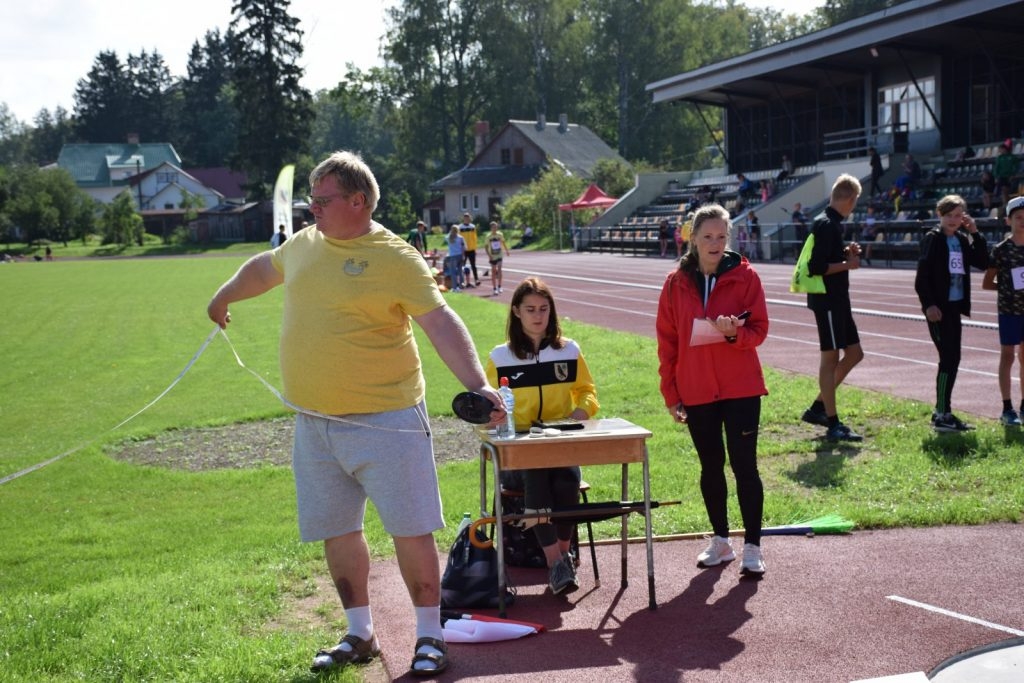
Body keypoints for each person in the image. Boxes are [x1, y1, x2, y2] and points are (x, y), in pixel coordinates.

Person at [206, 151, 504, 677]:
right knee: (337, 531)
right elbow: (264, 268)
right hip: (314, 424)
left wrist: (478, 386)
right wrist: (226, 294)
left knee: (411, 529)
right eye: (311, 201)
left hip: (387, 420)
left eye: (322, 201)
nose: (312, 210)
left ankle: (430, 636)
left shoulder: (396, 258)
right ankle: (359, 632)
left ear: (358, 201)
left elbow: (440, 323)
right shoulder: (304, 244)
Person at [655, 203, 769, 577]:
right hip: (697, 389)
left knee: (744, 465)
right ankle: (721, 541)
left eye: (721, 236)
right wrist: (671, 394)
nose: (715, 243)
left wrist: (733, 332)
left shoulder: (746, 277)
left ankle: (753, 546)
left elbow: (760, 330)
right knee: (711, 466)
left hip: (741, 387)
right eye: (708, 236)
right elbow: (667, 341)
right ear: (693, 238)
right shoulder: (675, 283)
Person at [485, 277, 600, 595]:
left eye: (544, 309)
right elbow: (486, 405)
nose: (538, 316)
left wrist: (582, 412)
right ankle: (558, 562)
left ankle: (561, 559)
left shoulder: (569, 350)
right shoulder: (500, 357)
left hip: (561, 444)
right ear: (516, 312)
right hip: (518, 454)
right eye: (530, 309)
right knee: (537, 473)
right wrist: (494, 416)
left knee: (565, 482)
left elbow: (587, 392)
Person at [800, 174, 866, 441]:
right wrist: (848, 264)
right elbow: (816, 267)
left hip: (838, 300)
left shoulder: (832, 224)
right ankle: (832, 422)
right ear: (850, 200)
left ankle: (818, 407)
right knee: (830, 358)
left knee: (854, 353)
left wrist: (844, 253)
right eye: (854, 203)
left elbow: (827, 259)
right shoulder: (826, 224)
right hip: (827, 301)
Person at [914, 194, 988, 432]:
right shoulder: (932, 239)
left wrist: (975, 232)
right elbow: (921, 278)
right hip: (938, 310)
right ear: (940, 215)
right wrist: (929, 305)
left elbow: (983, 262)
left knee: (953, 359)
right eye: (949, 215)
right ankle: (942, 414)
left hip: (954, 307)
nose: (954, 220)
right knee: (948, 359)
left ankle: (943, 412)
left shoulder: (962, 240)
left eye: (958, 215)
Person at [982, 195, 1024, 426]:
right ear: (1008, 220)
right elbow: (987, 283)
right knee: (1008, 356)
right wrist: (1007, 287)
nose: (1023, 222)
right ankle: (1007, 407)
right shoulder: (1001, 250)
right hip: (1009, 310)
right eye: (1018, 218)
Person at [993, 142, 1019, 218]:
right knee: (1003, 190)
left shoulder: (1012, 157)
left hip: (1009, 176)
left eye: (1001, 149)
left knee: (1007, 191)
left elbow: (1016, 166)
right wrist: (996, 177)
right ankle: (1005, 204)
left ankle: (1007, 204)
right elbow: (996, 168)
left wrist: (1013, 174)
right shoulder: (999, 158)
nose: (1000, 150)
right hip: (1002, 177)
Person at [484, 221, 510, 294]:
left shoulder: (500, 234)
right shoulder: (488, 236)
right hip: (492, 256)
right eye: (493, 227)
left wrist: (507, 251)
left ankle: (500, 286)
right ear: (491, 228)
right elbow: (486, 247)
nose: (495, 228)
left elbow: (503, 242)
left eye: (496, 227)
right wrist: (489, 256)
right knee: (493, 271)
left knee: (499, 270)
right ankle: (494, 288)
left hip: (499, 254)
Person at [457, 212, 480, 287]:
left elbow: (475, 238)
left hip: (471, 249)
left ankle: (476, 279)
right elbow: (459, 239)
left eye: (468, 217)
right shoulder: (460, 227)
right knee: (462, 266)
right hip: (463, 250)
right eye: (465, 217)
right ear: (463, 218)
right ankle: (462, 281)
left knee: (473, 265)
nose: (466, 219)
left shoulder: (472, 227)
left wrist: (475, 248)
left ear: (469, 218)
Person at [445, 225, 466, 292]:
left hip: (453, 256)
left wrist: (450, 231)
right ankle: (461, 285)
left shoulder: (449, 237)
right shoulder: (460, 238)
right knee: (460, 271)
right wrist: (463, 256)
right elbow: (463, 247)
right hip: (459, 255)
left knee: (453, 272)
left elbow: (445, 237)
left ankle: (454, 287)